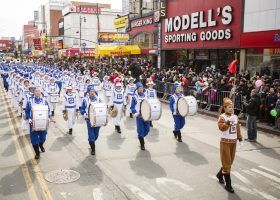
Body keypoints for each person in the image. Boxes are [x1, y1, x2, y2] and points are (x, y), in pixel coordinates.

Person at [217, 98, 242, 193]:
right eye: (229, 107)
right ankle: (228, 185)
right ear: (225, 108)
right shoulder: (222, 117)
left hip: (233, 142)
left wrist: (240, 138)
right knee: (227, 163)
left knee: (229, 162)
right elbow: (221, 128)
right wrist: (227, 122)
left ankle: (219, 175)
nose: (231, 108)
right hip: (225, 143)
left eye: (232, 107)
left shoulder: (235, 116)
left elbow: (237, 128)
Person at [25, 86, 50, 159]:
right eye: (36, 91)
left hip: (42, 123)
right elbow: (27, 111)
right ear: (34, 92)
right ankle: (37, 152)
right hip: (33, 123)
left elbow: (48, 110)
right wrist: (29, 118)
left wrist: (49, 117)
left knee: (43, 137)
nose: (37, 92)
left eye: (39, 91)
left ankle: (41, 144)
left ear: (40, 92)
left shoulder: (44, 101)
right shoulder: (30, 101)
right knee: (34, 138)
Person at [80, 85, 102, 155]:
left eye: (93, 91)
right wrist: (84, 114)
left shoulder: (98, 98)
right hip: (88, 119)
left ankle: (91, 141)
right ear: (88, 92)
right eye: (90, 91)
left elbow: (102, 107)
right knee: (91, 134)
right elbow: (82, 108)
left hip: (97, 119)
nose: (92, 92)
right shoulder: (85, 99)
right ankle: (93, 149)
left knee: (96, 135)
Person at [130, 82, 150, 150]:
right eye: (139, 88)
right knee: (140, 130)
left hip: (146, 116)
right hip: (139, 116)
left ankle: (140, 137)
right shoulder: (134, 97)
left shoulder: (146, 95)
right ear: (137, 89)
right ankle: (142, 143)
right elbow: (132, 107)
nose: (141, 89)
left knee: (147, 129)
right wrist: (135, 113)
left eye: (142, 88)